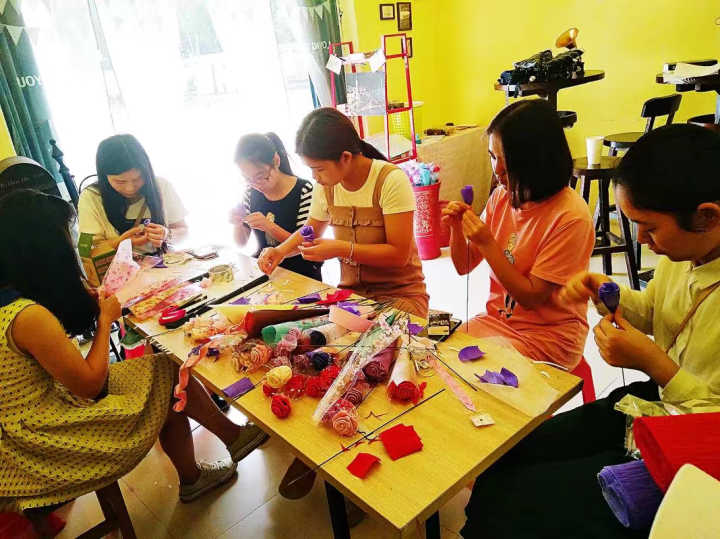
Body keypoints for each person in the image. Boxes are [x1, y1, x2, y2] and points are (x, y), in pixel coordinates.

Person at [461, 124, 720, 538]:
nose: (641, 240)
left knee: (520, 504)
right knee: (503, 457)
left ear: (707, 216)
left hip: (696, 445)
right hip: (655, 402)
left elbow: (709, 421)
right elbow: (656, 312)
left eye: (650, 228)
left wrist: (653, 362)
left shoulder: (568, 214)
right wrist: (607, 292)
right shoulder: (685, 254)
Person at [0, 190, 268, 530]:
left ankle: (203, 467)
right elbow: (89, 385)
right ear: (42, 249)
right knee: (165, 377)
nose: (70, 246)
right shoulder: (27, 316)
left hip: (28, 421)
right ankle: (224, 445)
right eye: (64, 238)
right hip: (40, 441)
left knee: (163, 371)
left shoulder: (14, 297)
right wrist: (105, 321)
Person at [442, 99, 594, 370]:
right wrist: (456, 229)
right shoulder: (502, 196)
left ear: (537, 161)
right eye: (492, 156)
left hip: (548, 337)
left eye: (507, 161)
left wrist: (487, 243)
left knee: (474, 375)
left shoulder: (570, 216)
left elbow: (531, 297)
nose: (497, 170)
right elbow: (463, 265)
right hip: (498, 322)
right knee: (439, 355)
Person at [258, 107, 429, 319]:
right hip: (353, 296)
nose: (315, 177)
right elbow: (310, 229)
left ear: (345, 157)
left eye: (319, 169)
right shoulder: (326, 185)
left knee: (375, 336)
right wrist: (280, 251)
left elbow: (399, 255)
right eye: (311, 169)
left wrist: (341, 249)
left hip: (401, 295)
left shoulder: (390, 180)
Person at [230, 132, 322, 280]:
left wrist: (269, 226)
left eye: (261, 176)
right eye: (247, 179)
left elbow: (307, 242)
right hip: (266, 271)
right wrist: (237, 224)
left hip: (302, 273)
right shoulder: (250, 192)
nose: (256, 184)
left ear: (276, 161)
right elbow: (241, 242)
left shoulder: (304, 190)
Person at [78, 134, 188, 254]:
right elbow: (85, 249)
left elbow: (183, 229)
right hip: (119, 266)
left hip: (166, 262)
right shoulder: (90, 197)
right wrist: (122, 242)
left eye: (138, 178)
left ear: (147, 171)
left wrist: (167, 234)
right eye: (120, 181)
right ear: (104, 177)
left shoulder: (161, 186)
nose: (130, 188)